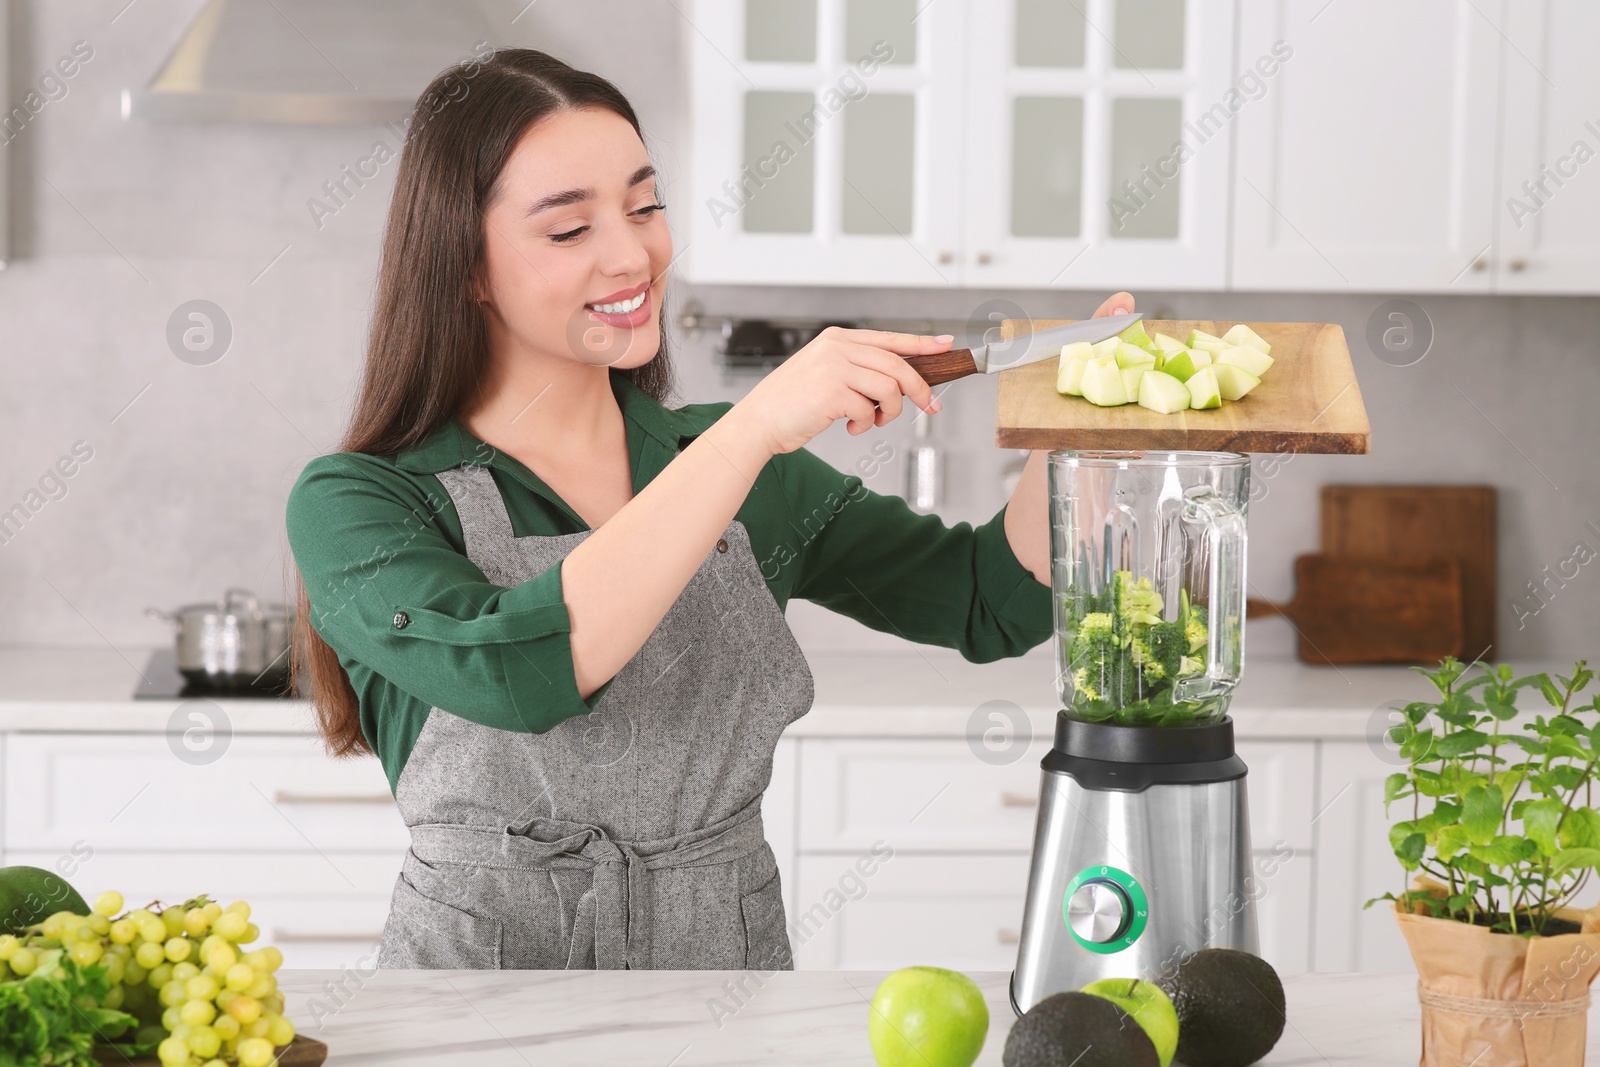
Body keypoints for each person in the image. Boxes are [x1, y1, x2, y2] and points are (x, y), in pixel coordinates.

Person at [284, 47, 1135, 971]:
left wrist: (1082, 425)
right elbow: (519, 673)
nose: (635, 253)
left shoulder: (735, 463)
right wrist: (756, 426)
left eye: (645, 207)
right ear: (467, 268)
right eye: (570, 230)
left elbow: (984, 598)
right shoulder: (362, 501)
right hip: (468, 999)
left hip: (721, 983)